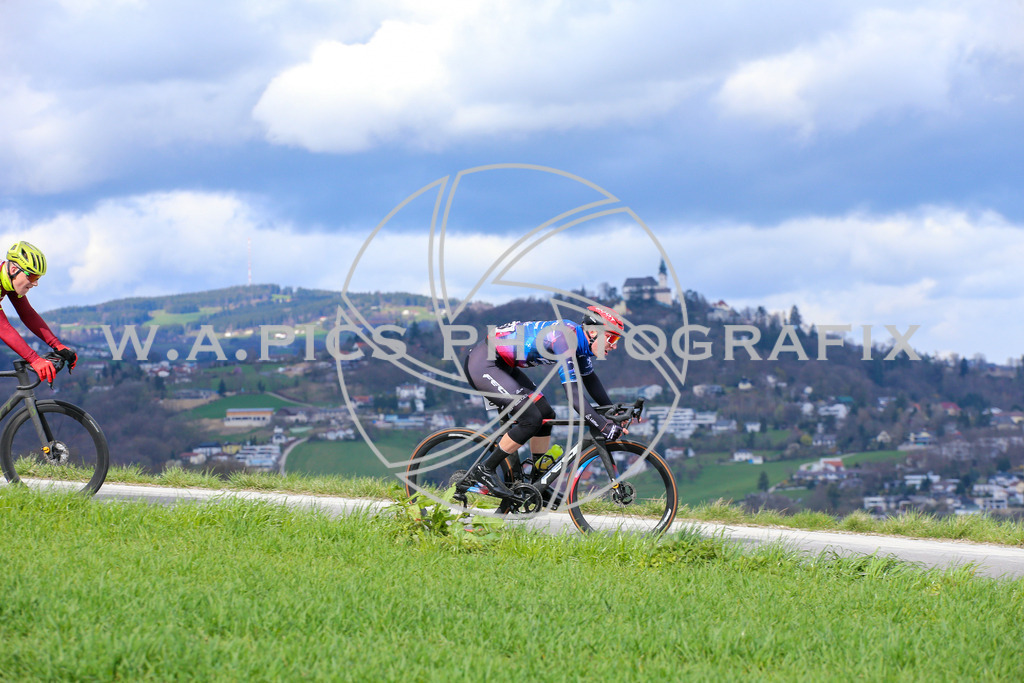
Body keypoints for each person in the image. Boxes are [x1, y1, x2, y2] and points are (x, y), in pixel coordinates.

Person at [461, 305, 625, 498]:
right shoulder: (565, 339)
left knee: (546, 413)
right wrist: (602, 425)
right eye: (611, 338)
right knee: (531, 418)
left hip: (504, 365)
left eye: (616, 340)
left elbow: (590, 380)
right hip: (484, 364)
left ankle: (537, 481)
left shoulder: (581, 344)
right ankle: (484, 470)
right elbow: (573, 395)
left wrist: (611, 413)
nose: (614, 346)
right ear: (593, 332)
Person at [0, 241, 77, 382]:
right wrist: (34, 359)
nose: (35, 284)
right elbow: (3, 327)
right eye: (33, 277)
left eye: (38, 278)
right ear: (13, 270)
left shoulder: (9, 280)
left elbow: (27, 314)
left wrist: (56, 344)